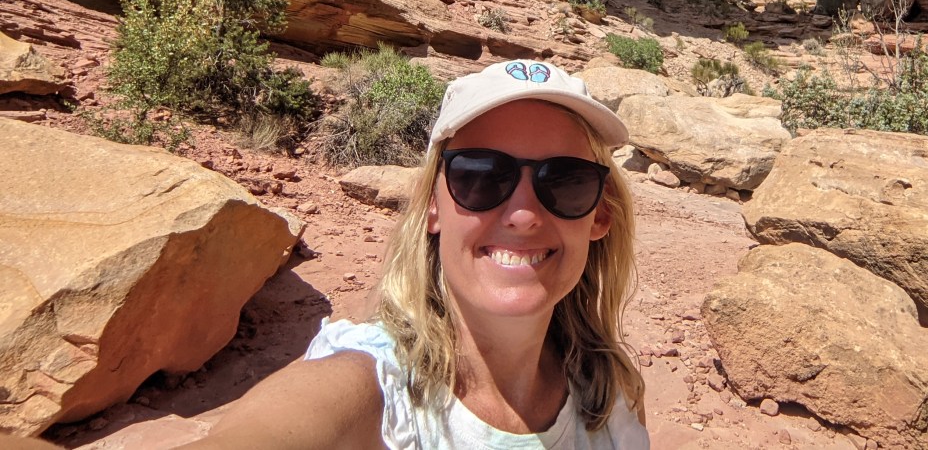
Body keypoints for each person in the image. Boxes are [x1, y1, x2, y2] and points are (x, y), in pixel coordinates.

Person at [185, 58, 648, 449]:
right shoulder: (370, 390)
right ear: (433, 208)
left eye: (565, 181)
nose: (523, 214)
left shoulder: (611, 394)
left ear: (599, 217)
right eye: (481, 176)